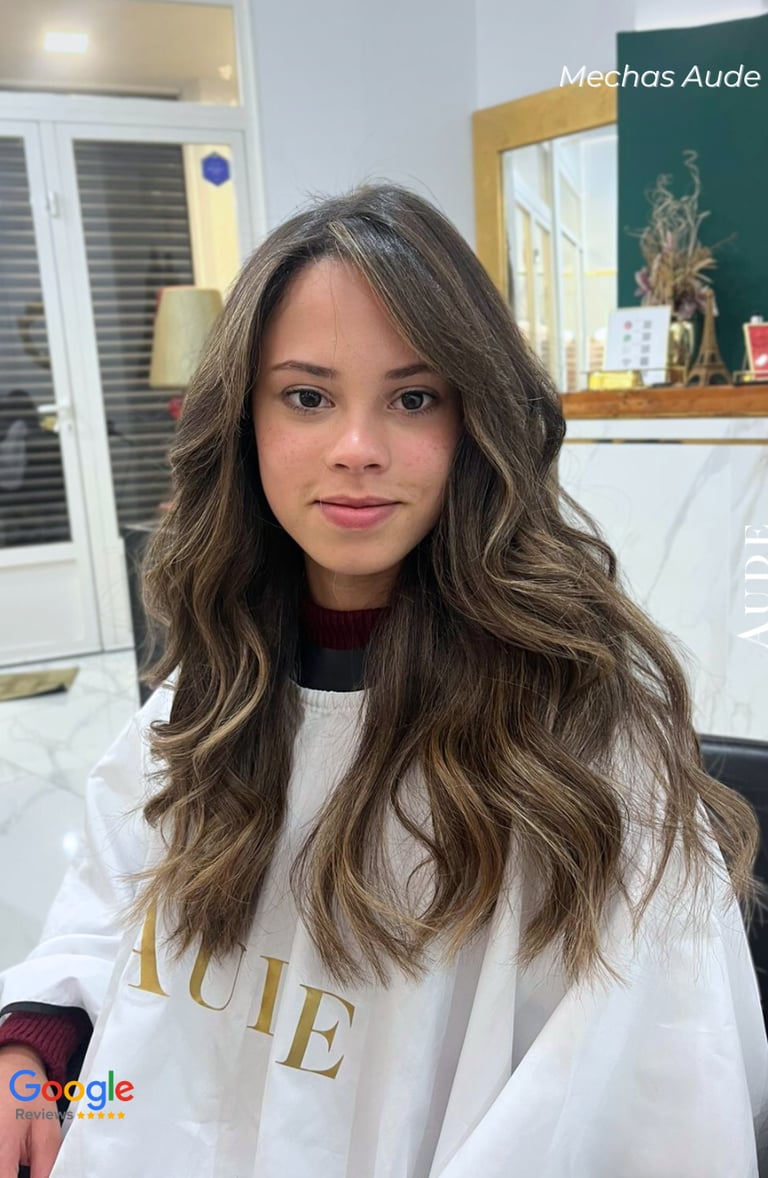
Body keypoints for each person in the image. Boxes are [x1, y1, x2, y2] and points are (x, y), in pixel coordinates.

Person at [0, 182, 766, 1178]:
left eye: (412, 398)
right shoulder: (211, 696)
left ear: (474, 420)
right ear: (246, 423)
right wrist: (36, 1063)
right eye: (307, 396)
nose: (356, 449)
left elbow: (645, 1111)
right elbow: (133, 1011)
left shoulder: (581, 753)